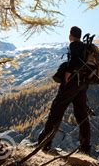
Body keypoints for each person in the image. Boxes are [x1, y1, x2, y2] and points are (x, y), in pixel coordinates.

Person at [37, 26, 91, 155]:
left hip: (72, 82)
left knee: (56, 109)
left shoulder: (74, 45)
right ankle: (85, 147)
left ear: (71, 35)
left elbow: (74, 60)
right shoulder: (86, 47)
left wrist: (67, 74)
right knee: (82, 114)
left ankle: (44, 144)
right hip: (83, 84)